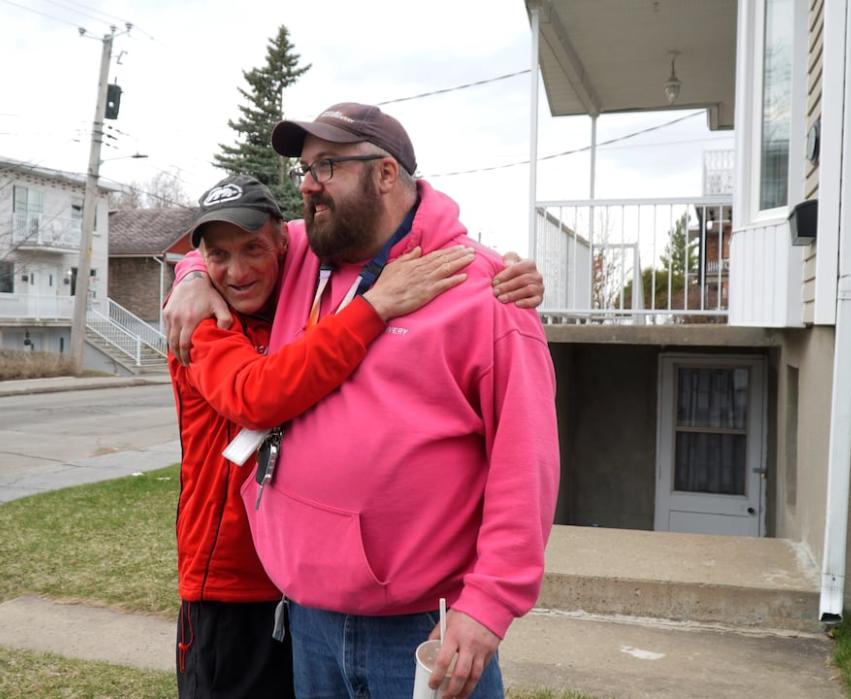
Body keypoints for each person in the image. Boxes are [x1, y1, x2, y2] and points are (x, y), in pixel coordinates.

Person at [166, 103, 559, 699]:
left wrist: (489, 604)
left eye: (326, 166)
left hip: (417, 629)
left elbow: (524, 464)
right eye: (303, 168)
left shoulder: (481, 289)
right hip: (304, 621)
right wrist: (192, 275)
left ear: (384, 174)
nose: (306, 184)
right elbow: (231, 243)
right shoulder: (302, 254)